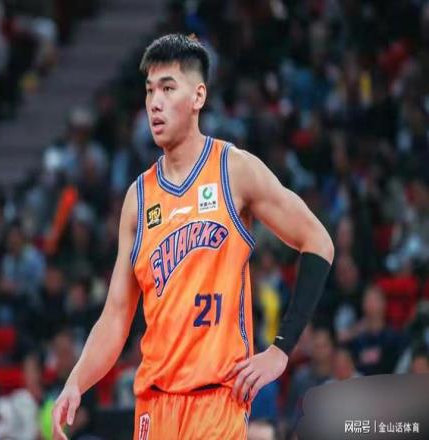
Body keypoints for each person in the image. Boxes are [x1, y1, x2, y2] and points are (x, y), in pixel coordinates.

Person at [52, 34, 334, 440]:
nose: (155, 102)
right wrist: (76, 381)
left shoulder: (234, 170)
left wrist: (280, 350)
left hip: (216, 401)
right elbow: (116, 316)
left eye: (168, 88)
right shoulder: (138, 198)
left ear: (198, 96)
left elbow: (318, 242)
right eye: (150, 90)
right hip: (153, 406)